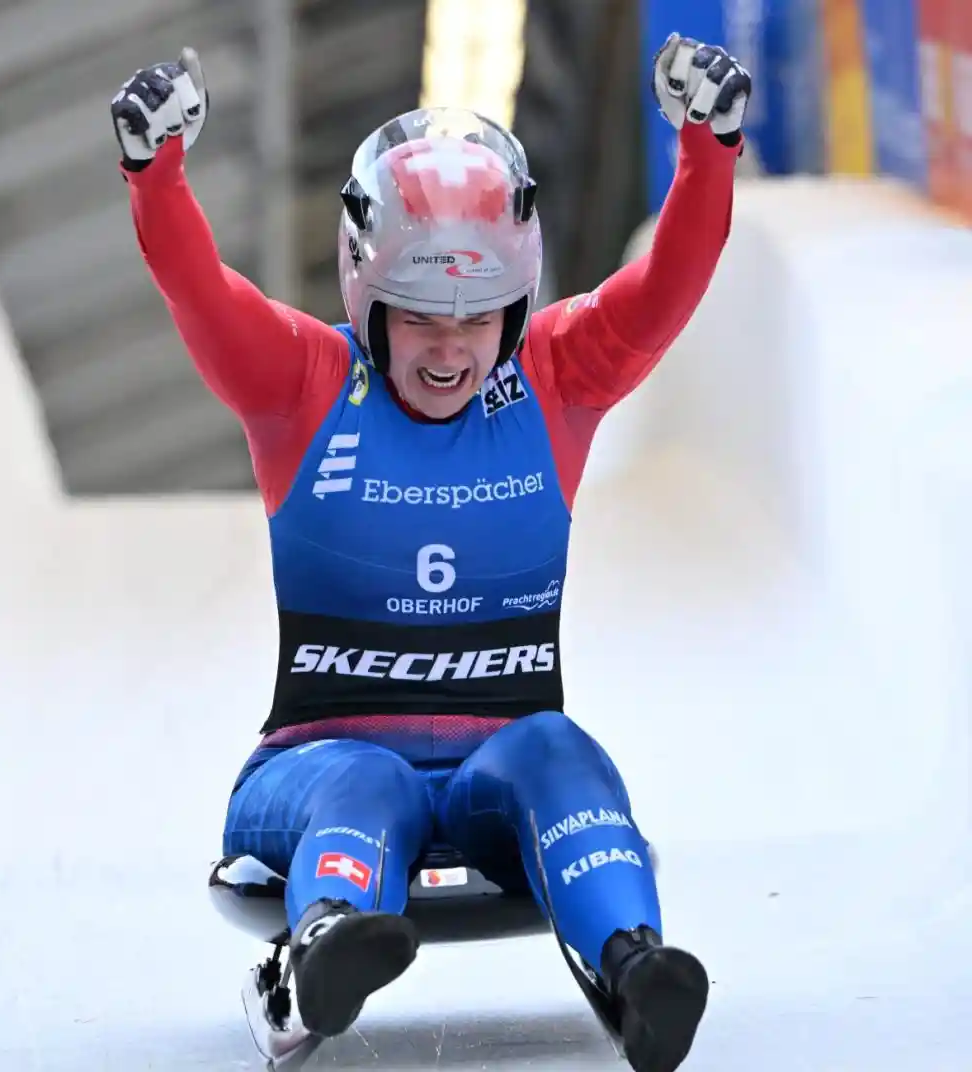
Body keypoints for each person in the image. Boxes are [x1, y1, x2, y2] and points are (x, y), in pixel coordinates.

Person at [111, 32, 750, 1072]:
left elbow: (666, 288)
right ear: (367, 298)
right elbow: (199, 290)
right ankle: (329, 943)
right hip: (315, 762)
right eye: (418, 318)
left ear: (517, 305)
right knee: (370, 779)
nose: (449, 348)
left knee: (558, 751)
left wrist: (708, 151)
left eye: (477, 317)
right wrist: (156, 171)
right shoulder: (300, 384)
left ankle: (638, 965)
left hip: (498, 760)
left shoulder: (556, 379)